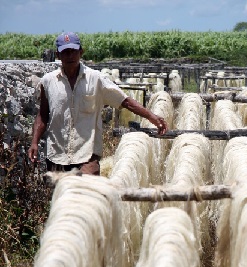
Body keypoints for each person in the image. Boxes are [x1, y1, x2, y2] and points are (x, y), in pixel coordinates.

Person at [28, 32, 168, 175]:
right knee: (61, 196)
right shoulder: (48, 81)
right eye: (65, 52)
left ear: (81, 52)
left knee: (88, 194)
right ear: (58, 55)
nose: (70, 56)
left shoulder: (96, 79)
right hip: (57, 156)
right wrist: (34, 142)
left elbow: (124, 101)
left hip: (87, 155)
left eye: (73, 51)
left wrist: (151, 117)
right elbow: (43, 115)